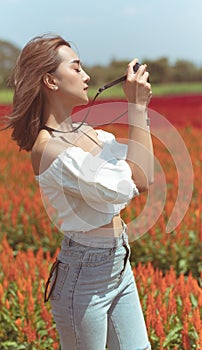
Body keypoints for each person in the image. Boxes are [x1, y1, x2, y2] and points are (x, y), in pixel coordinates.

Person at [6, 34, 154, 350]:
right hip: (84, 279)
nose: (86, 76)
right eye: (77, 68)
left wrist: (139, 108)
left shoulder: (89, 133)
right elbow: (136, 183)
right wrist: (136, 108)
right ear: (50, 80)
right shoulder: (50, 150)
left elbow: (144, 171)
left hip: (119, 265)